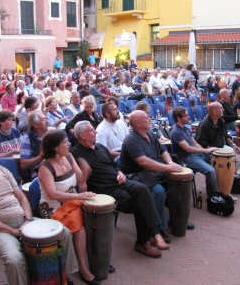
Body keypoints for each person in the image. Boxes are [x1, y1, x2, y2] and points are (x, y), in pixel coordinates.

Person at [0, 135, 78, 285]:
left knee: (64, 233)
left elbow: (22, 198)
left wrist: (28, 219)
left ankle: (63, 277)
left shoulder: (2, 171)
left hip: (22, 221)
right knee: (14, 259)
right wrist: (13, 231)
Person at [72, 120, 168, 258]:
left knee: (142, 189)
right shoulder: (76, 153)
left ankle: (154, 234)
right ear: (82, 136)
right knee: (140, 203)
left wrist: (120, 173)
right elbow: (80, 179)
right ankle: (146, 241)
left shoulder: (100, 147)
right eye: (91, 131)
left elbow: (115, 166)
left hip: (119, 181)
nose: (95, 132)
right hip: (104, 189)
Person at [38, 130, 99, 284]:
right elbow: (53, 194)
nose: (69, 144)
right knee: (79, 228)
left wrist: (86, 171)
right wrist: (79, 196)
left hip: (71, 201)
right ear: (55, 147)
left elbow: (80, 179)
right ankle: (82, 268)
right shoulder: (45, 168)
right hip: (53, 208)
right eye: (65, 142)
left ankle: (96, 261)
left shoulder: (69, 156)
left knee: (95, 217)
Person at [119, 110, 183, 243]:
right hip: (137, 177)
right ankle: (159, 229)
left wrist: (170, 163)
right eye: (146, 118)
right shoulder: (131, 139)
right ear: (136, 123)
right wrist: (167, 168)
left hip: (154, 174)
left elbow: (163, 151)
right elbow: (143, 162)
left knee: (178, 184)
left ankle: (177, 219)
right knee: (159, 191)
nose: (149, 119)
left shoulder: (150, 134)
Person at [170, 107, 220, 199]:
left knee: (218, 162)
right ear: (178, 118)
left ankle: (219, 189)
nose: (188, 117)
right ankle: (213, 197)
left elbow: (194, 143)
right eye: (185, 115)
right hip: (187, 159)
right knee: (210, 171)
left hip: (195, 155)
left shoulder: (186, 129)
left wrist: (205, 153)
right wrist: (205, 150)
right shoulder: (176, 132)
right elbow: (188, 149)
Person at [196, 102, 240, 171]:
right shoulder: (204, 124)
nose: (223, 110)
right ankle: (226, 176)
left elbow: (226, 136)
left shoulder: (221, 120)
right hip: (209, 152)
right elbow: (200, 142)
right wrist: (213, 150)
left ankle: (230, 176)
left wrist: (234, 146)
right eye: (221, 108)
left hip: (222, 147)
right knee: (223, 162)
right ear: (214, 111)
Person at [19, 112, 47, 182]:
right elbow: (23, 164)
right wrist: (41, 156)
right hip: (38, 175)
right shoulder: (27, 139)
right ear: (35, 125)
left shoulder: (50, 133)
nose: (47, 121)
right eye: (43, 120)